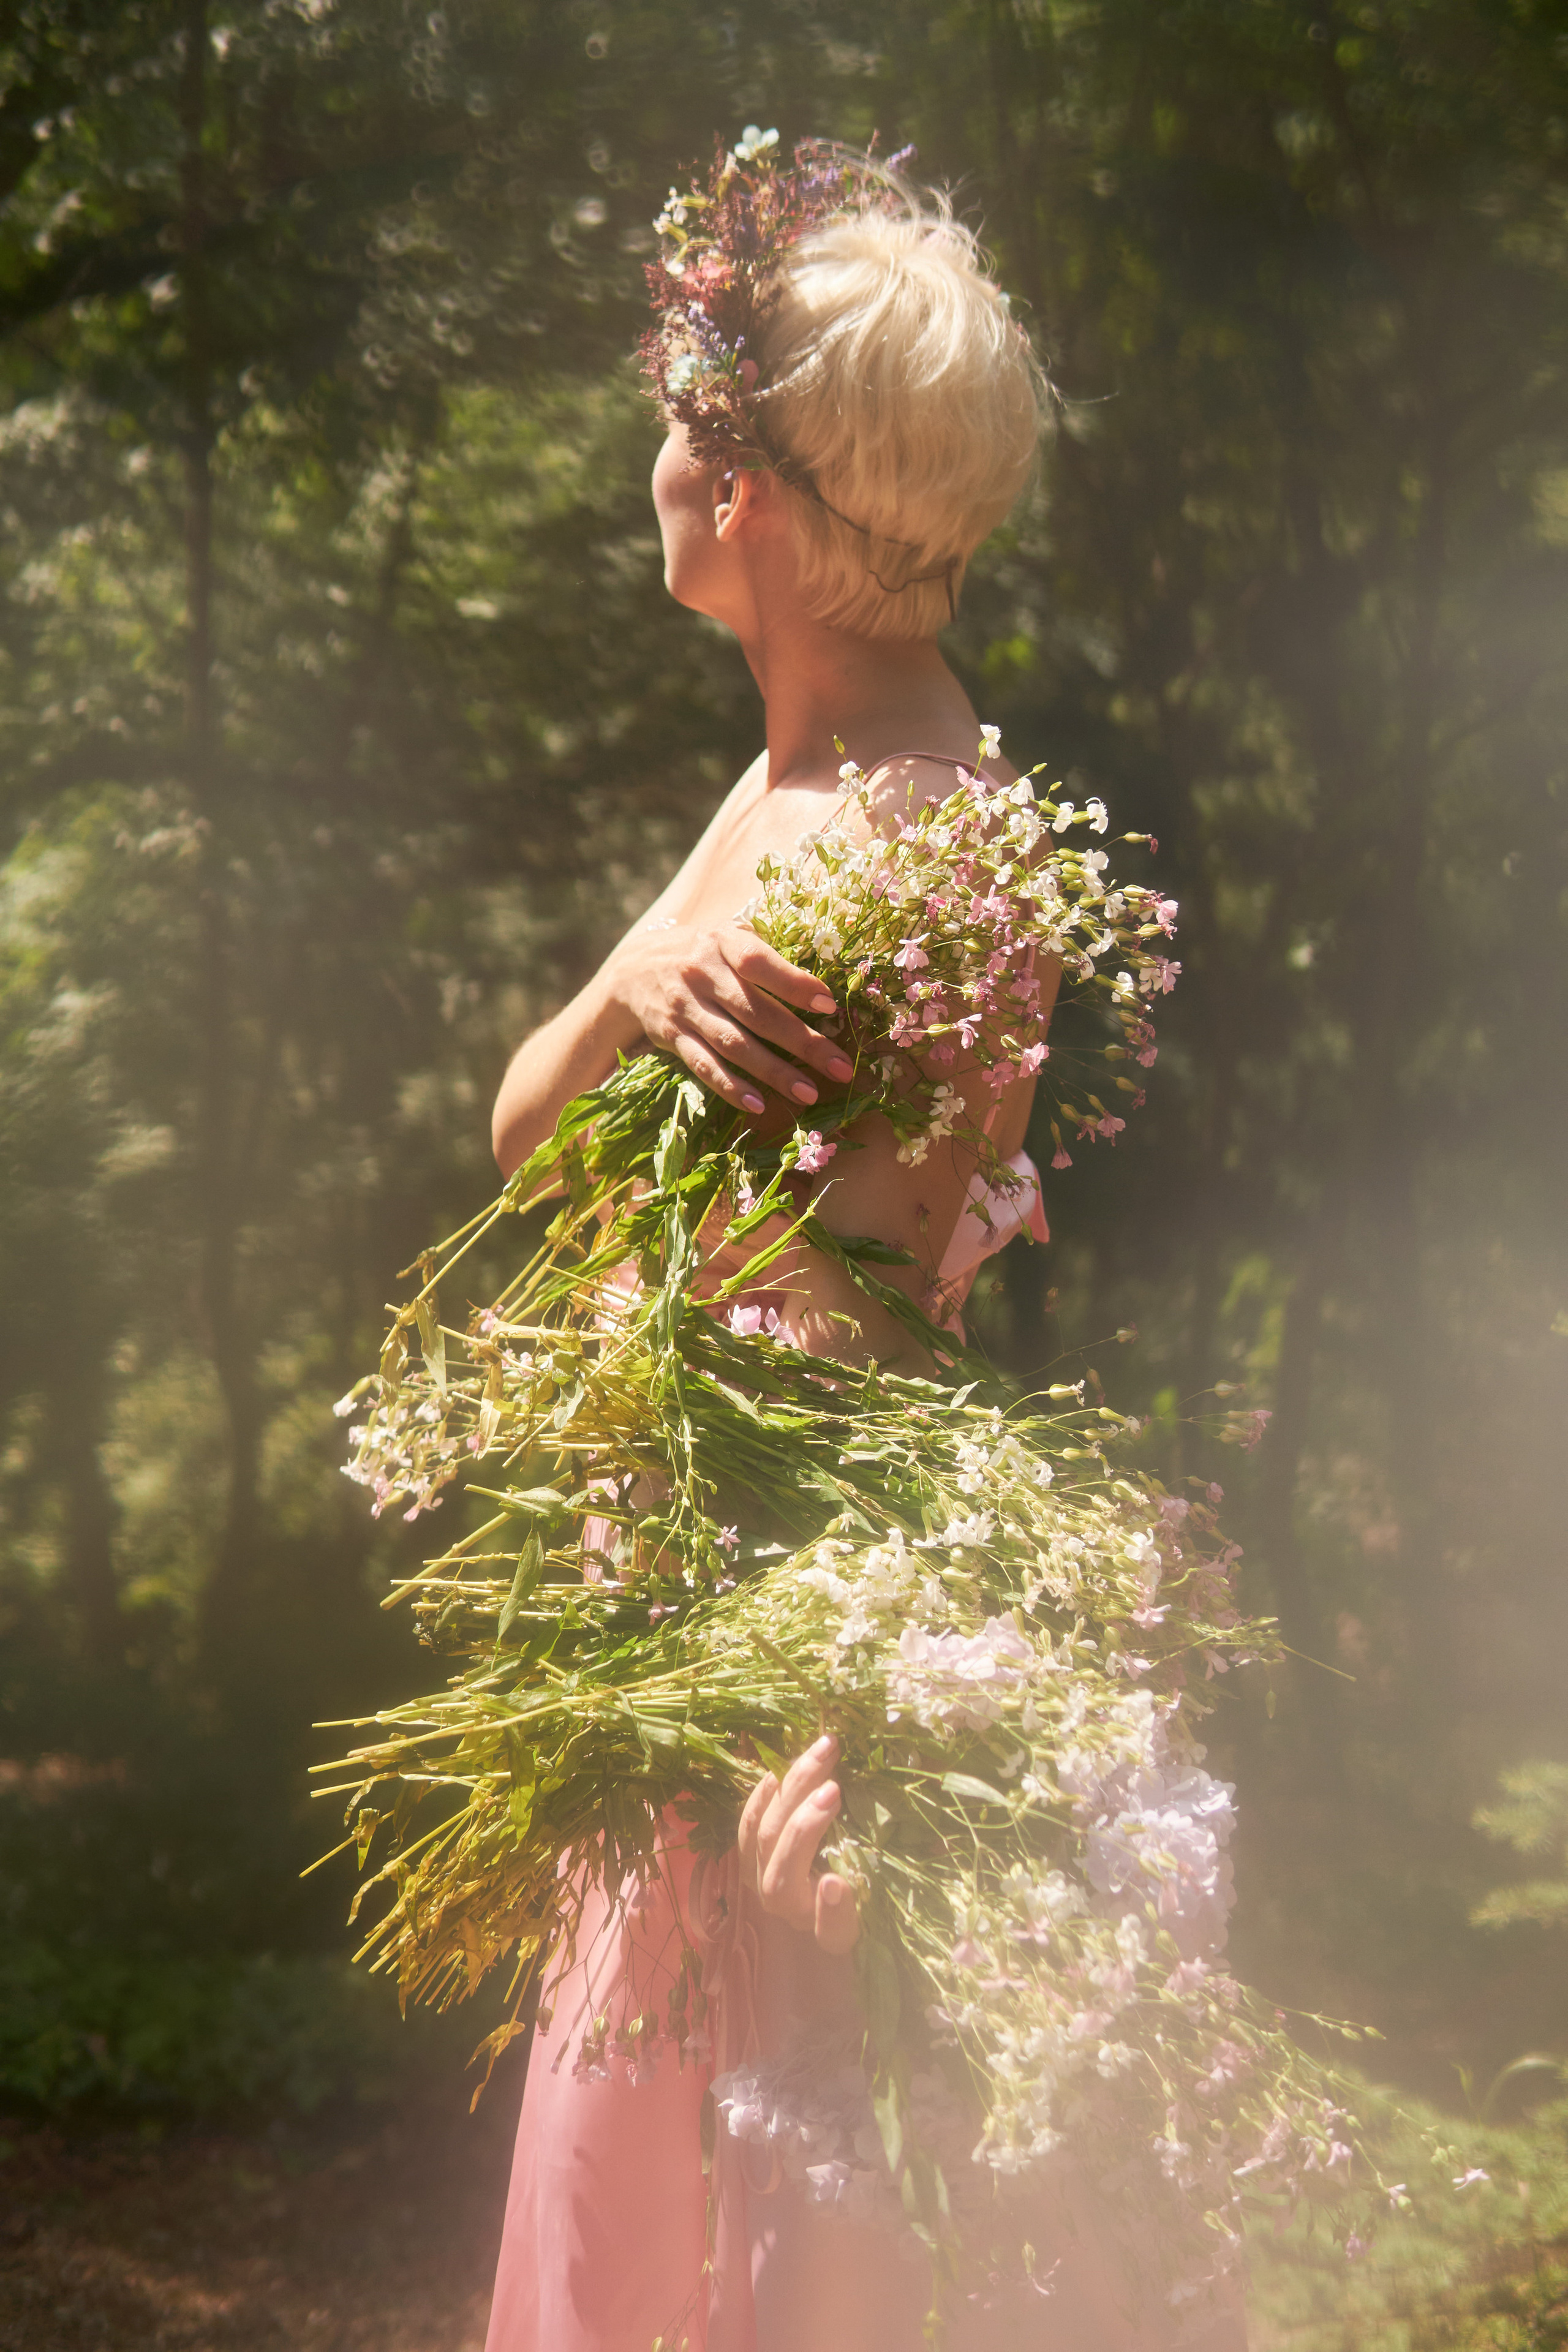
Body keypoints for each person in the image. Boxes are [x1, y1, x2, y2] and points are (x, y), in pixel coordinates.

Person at [480, 140, 1243, 2352]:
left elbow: (852, 1350)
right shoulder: (789, 787)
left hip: (773, 1649)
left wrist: (833, 1742)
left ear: (767, 504)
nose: (655, 462)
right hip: (673, 1609)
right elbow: (530, 1137)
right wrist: (630, 994)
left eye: (689, 428)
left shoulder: (923, 840)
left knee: (754, 2241)